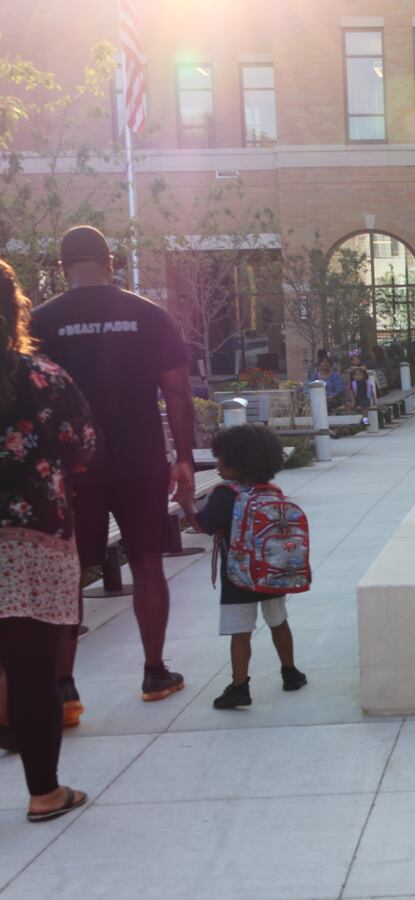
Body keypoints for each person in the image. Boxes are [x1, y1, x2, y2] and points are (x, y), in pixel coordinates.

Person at [30, 226, 195, 711]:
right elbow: (178, 392)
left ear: (63, 267)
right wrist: (183, 457)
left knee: (70, 571)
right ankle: (154, 672)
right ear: (111, 262)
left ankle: (63, 687)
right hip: (141, 459)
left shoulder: (40, 321)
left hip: (71, 468)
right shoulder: (149, 315)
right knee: (147, 562)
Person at [0, 258, 96, 822]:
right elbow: (83, 444)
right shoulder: (44, 378)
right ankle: (45, 793)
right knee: (32, 670)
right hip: (35, 539)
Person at [191, 424, 307, 710]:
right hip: (272, 571)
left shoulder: (224, 494)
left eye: (220, 458)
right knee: (279, 622)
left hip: (238, 577)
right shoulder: (272, 490)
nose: (216, 464)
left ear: (236, 461)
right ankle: (290, 672)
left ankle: (240, 686)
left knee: (240, 632)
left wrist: (185, 502)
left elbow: (203, 526)